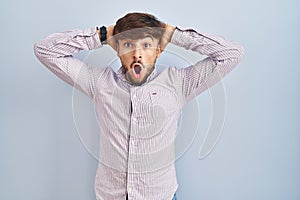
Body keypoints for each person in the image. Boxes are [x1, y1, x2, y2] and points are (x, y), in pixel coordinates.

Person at [34, 12, 243, 200]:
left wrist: (172, 33)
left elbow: (231, 53)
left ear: (159, 50)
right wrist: (104, 35)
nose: (137, 54)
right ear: (117, 50)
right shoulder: (99, 83)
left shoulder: (179, 83)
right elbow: (45, 50)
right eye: (127, 45)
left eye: (146, 45)